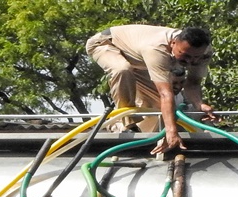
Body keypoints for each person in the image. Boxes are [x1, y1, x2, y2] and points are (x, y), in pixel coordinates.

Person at [86, 24, 217, 154]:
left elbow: (192, 84)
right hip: (106, 43)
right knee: (122, 70)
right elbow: (166, 94)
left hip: (139, 61)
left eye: (196, 57)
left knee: (162, 108)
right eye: (186, 56)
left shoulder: (204, 53)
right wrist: (171, 132)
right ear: (173, 43)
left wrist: (199, 105)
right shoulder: (156, 50)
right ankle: (125, 124)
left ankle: (154, 135)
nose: (191, 61)